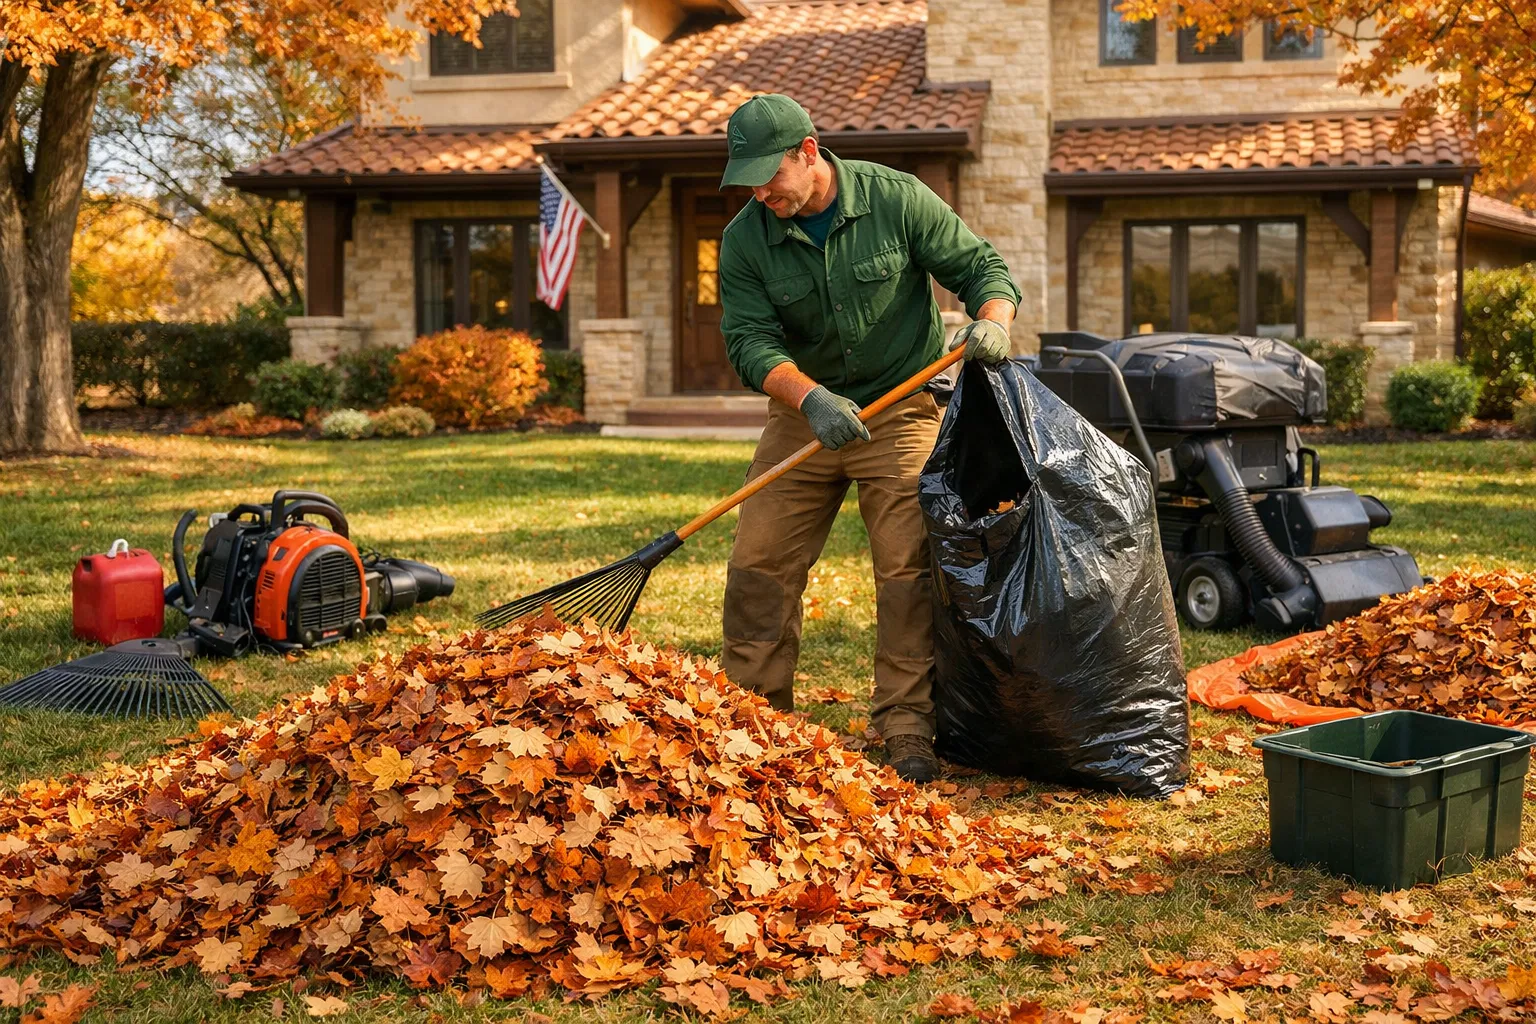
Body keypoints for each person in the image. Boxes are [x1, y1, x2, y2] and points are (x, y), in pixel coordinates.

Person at [715, 93, 1021, 782]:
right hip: (804, 413)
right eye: (749, 182)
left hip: (902, 409)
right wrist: (810, 398)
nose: (761, 193)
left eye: (770, 176)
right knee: (759, 562)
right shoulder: (745, 238)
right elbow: (748, 341)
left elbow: (982, 270)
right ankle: (751, 719)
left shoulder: (896, 199)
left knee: (907, 568)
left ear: (809, 152)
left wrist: (993, 320)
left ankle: (907, 724)